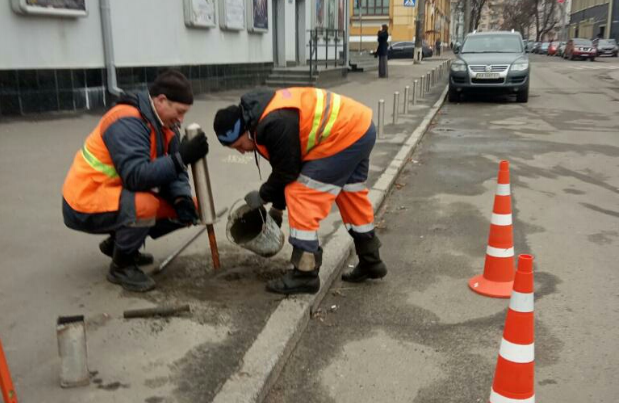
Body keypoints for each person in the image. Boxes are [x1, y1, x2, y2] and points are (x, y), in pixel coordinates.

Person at [213, 88, 388, 295]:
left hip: (343, 135)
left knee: (301, 194)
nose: (241, 151)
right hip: (359, 127)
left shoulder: (273, 124)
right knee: (351, 195)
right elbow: (285, 166)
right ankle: (371, 261)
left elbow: (288, 173)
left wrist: (262, 196)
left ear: (244, 132)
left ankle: (305, 274)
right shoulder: (258, 115)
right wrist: (276, 210)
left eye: (238, 145)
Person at [62, 70, 209, 292]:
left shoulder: (166, 125)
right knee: (144, 205)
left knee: (194, 207)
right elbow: (136, 176)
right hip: (85, 200)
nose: (181, 120)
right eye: (179, 112)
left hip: (115, 195)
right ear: (161, 100)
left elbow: (174, 173)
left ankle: (118, 245)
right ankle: (121, 267)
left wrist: (181, 198)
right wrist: (181, 159)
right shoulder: (126, 121)